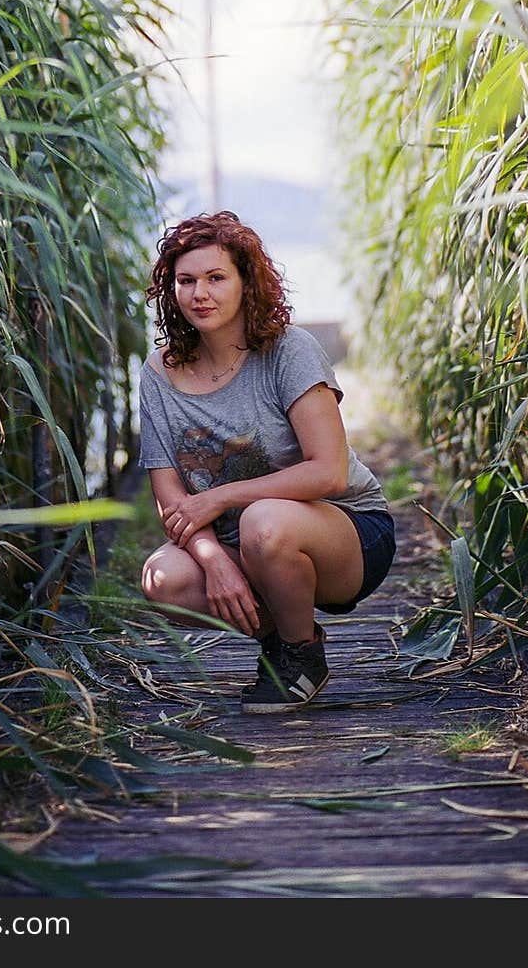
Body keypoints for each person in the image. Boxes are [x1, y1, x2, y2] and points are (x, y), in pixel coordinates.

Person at [138, 210, 396, 714]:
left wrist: (217, 497)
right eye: (186, 281)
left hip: (347, 533)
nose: (200, 294)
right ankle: (282, 638)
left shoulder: (288, 351)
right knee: (163, 580)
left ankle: (300, 657)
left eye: (216, 278)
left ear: (245, 282)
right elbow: (171, 498)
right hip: (247, 542)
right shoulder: (159, 374)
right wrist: (214, 563)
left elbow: (329, 471)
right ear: (171, 290)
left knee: (264, 520)